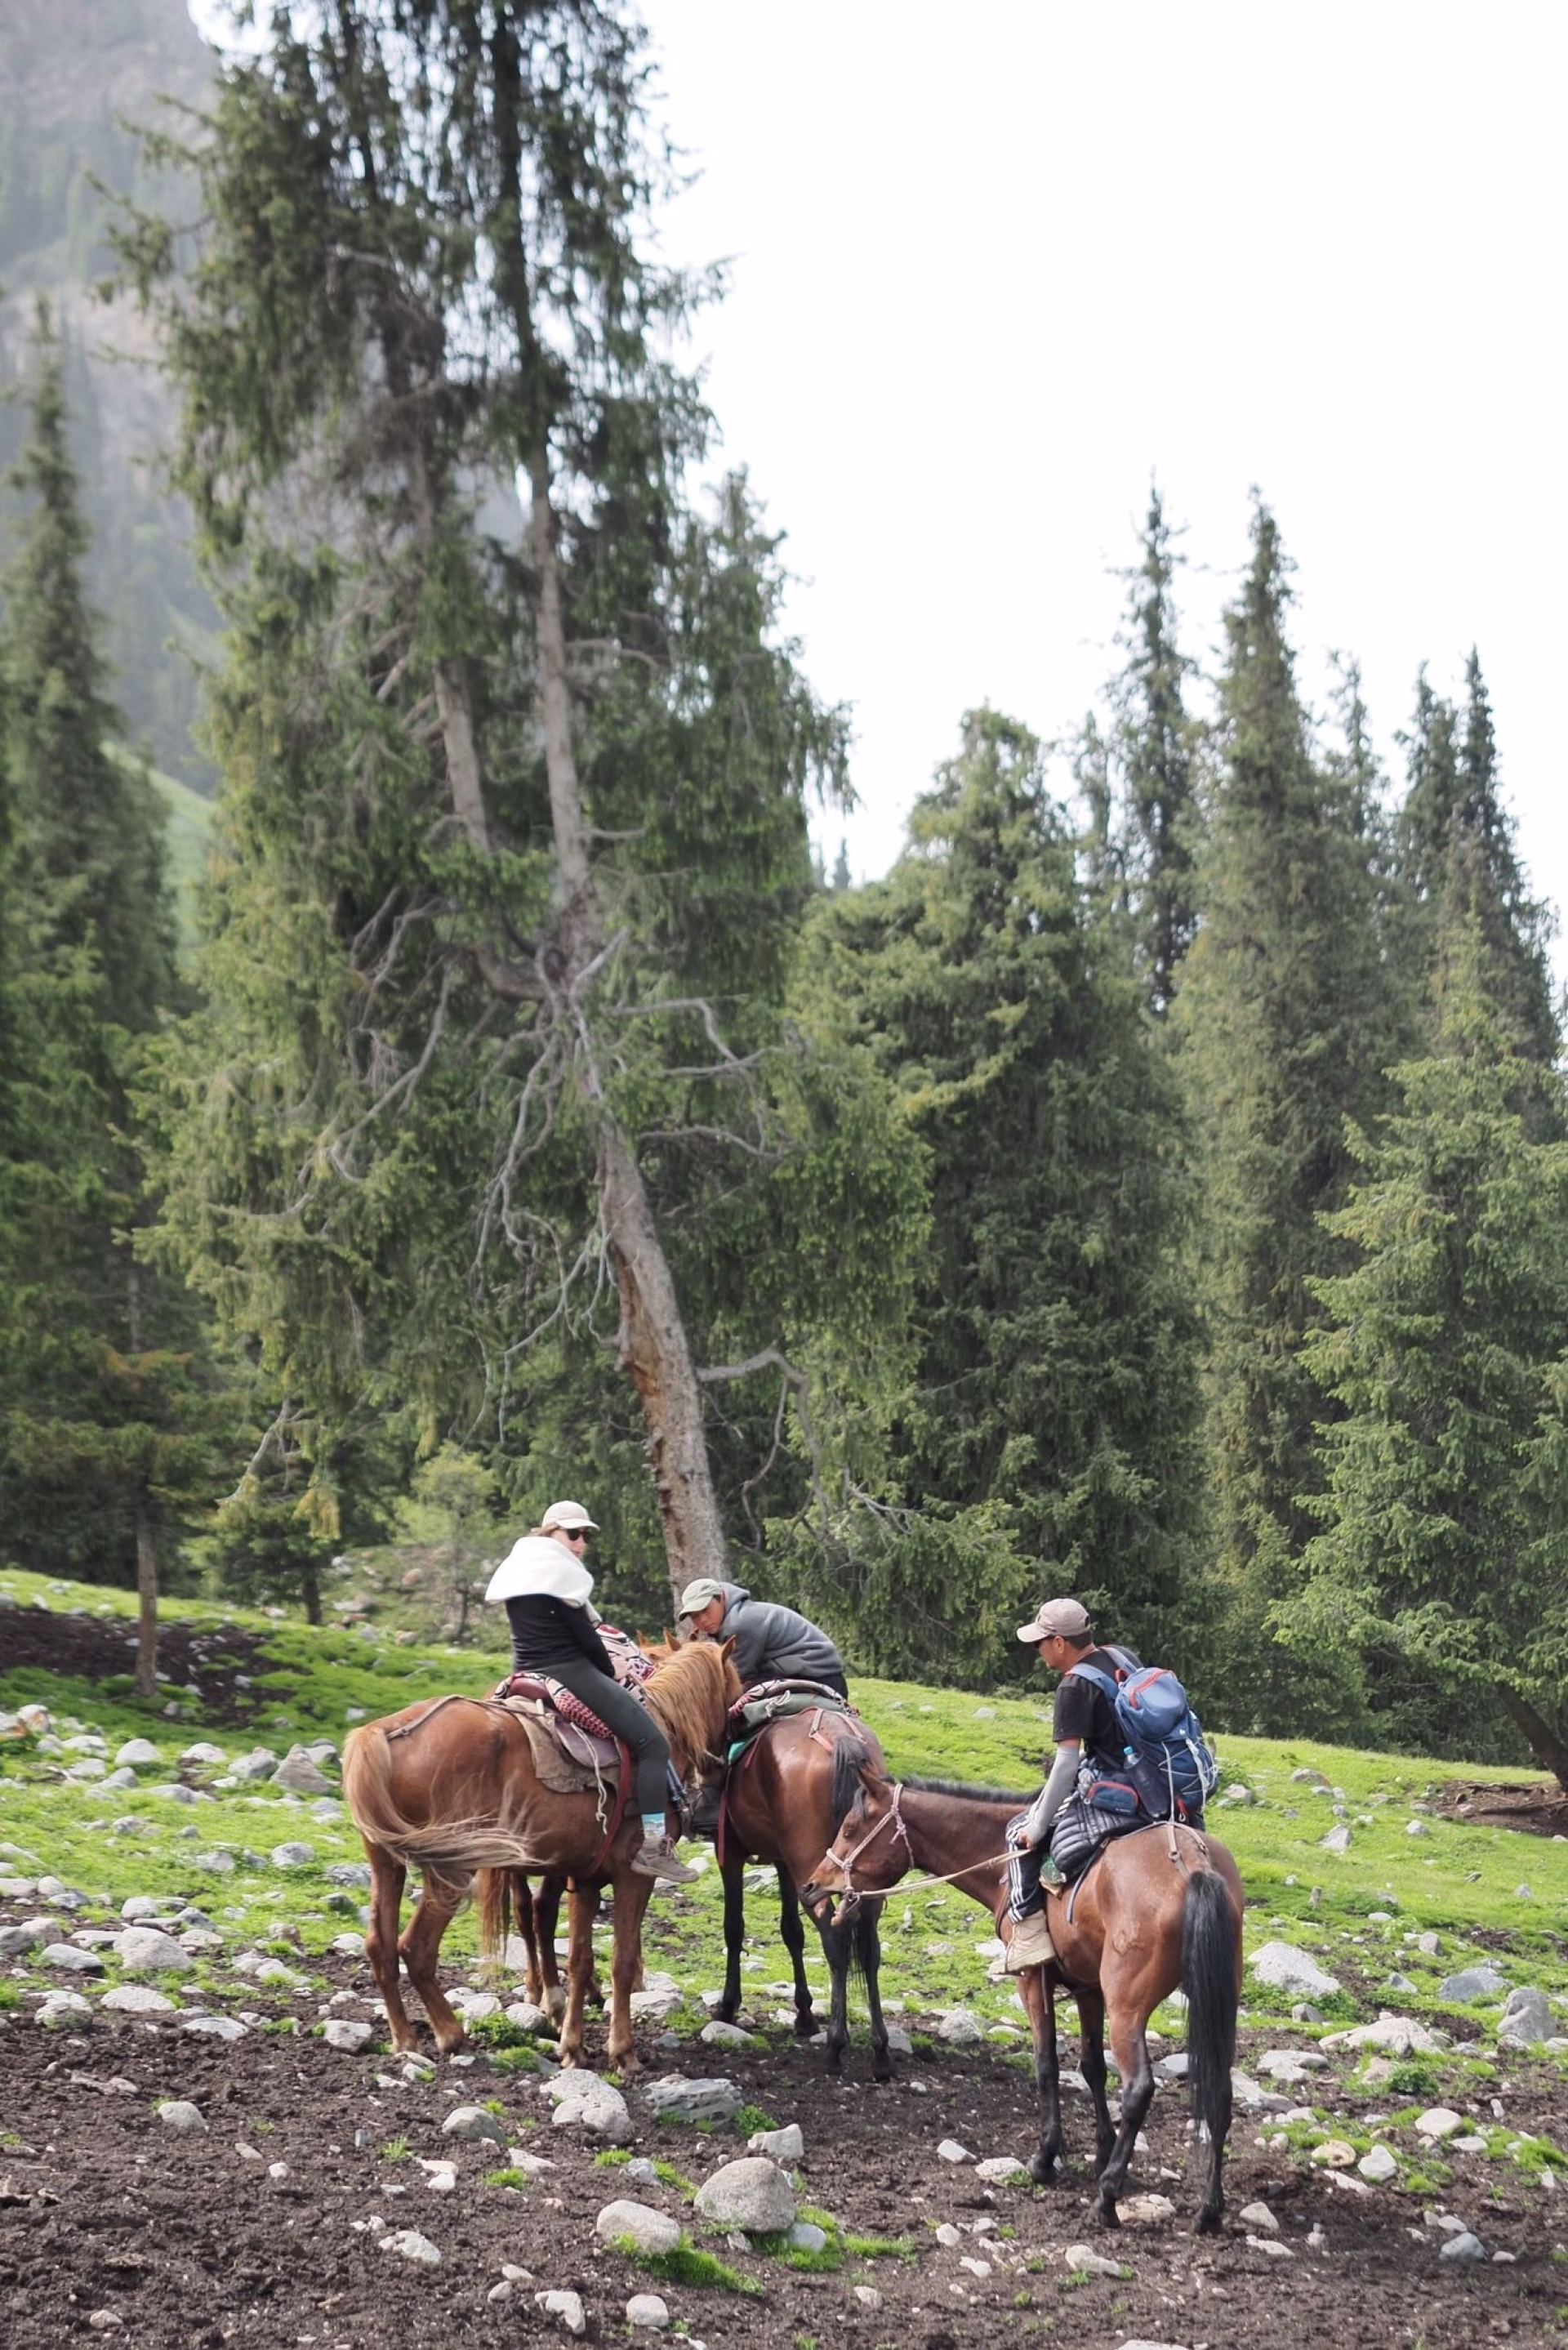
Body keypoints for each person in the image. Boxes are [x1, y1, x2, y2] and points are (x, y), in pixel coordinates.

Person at [485, 1510, 695, 1884]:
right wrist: (612, 1668)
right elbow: (584, 1635)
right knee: (653, 1745)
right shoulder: (560, 1571)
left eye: (586, 1536)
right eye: (575, 1534)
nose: (581, 1543)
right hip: (570, 1670)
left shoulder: (519, 1566)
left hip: (523, 1670)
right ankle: (653, 1846)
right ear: (551, 1531)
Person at [1001, 1596, 1143, 1973]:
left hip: (1118, 1789)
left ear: (1060, 1643)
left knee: (1017, 1828)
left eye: (1040, 1643)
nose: (1038, 1651)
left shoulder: (1074, 1686)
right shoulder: (1120, 1658)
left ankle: (1028, 1932)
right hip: (1155, 1779)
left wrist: (1037, 1825)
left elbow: (1065, 1766)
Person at [676, 1576, 849, 1697]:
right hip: (814, 1671)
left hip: (818, 1675)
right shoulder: (739, 1615)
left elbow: (739, 1677)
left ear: (721, 1597)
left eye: (706, 1610)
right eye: (695, 1616)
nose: (703, 1620)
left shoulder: (738, 1624)